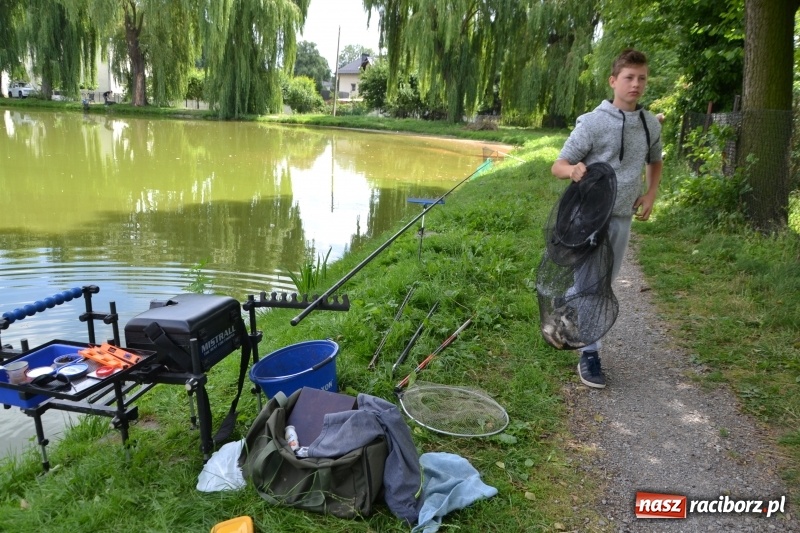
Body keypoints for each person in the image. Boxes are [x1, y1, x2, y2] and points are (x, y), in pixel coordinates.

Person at [550, 48, 663, 389]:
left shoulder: (649, 124)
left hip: (622, 217)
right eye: (629, 77)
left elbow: (655, 160)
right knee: (594, 289)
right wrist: (573, 170)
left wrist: (650, 193)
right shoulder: (593, 122)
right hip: (587, 218)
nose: (636, 84)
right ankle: (589, 354)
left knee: (603, 283)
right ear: (613, 81)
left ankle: (564, 302)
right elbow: (558, 165)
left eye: (641, 78)